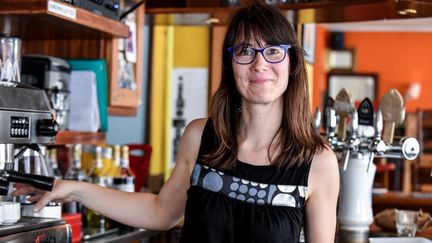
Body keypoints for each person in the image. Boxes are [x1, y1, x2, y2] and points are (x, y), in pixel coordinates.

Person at [13, 3, 339, 243]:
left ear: (292, 62)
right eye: (244, 50)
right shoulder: (201, 137)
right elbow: (161, 212)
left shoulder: (317, 162)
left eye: (273, 51)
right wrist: (74, 189)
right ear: (231, 64)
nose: (259, 63)